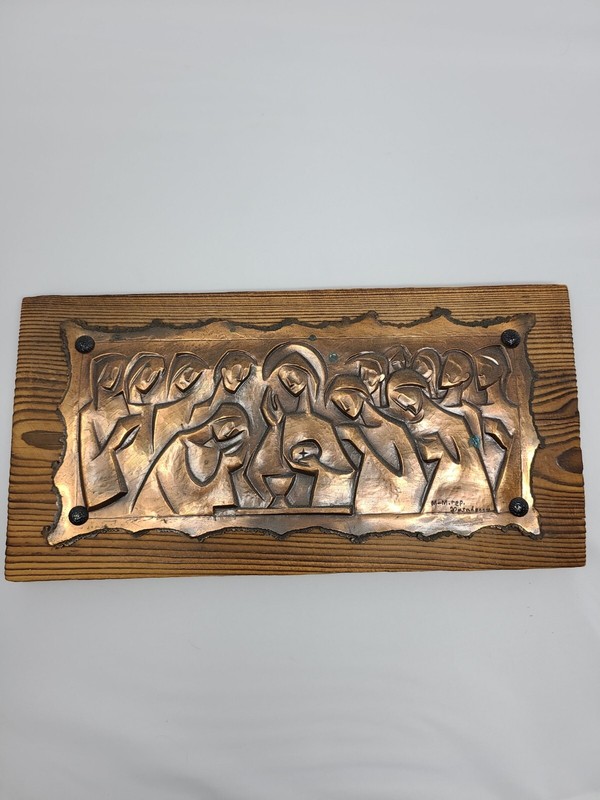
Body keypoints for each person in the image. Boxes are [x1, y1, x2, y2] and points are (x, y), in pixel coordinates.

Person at [386, 369, 495, 513]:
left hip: (462, 488)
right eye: (397, 401)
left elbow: (473, 445)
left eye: (403, 397)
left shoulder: (457, 420)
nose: (404, 404)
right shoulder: (409, 422)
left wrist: (475, 441)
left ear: (416, 388)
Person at [326, 374, 427, 514]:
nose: (343, 407)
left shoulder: (394, 429)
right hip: (364, 507)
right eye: (337, 403)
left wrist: (361, 444)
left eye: (345, 399)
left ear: (360, 394)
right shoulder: (347, 430)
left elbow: (417, 477)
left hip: (394, 505)